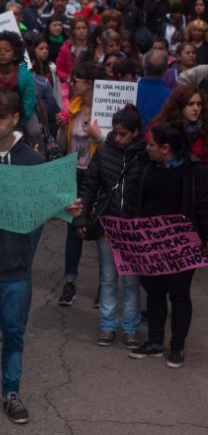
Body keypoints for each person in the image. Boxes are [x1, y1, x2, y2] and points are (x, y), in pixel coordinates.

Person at [0, 90, 82, 425]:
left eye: (1, 118)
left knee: (13, 331)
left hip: (16, 266)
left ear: (14, 120)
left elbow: (46, 205)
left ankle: (12, 392)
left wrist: (65, 207)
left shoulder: (31, 161)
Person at [128, 123, 208, 368]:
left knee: (179, 295)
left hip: (182, 246)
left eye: (152, 144)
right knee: (154, 291)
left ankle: (177, 346)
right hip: (150, 244)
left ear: (166, 149)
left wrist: (203, 240)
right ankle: (154, 341)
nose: (147, 147)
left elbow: (204, 209)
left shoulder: (195, 172)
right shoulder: (145, 165)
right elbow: (134, 199)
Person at [73, 106, 145, 349]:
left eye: (123, 133)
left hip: (133, 230)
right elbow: (89, 188)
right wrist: (82, 218)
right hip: (107, 226)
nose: (117, 137)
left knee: (131, 281)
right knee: (108, 277)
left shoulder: (145, 156)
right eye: (114, 132)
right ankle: (107, 325)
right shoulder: (103, 153)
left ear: (135, 133)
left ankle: (131, 328)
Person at [57, 63, 103, 306]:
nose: (73, 84)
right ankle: (70, 282)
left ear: (91, 84)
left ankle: (103, 285)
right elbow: (64, 143)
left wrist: (99, 136)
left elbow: (113, 145)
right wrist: (62, 126)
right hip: (73, 174)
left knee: (98, 231)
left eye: (79, 80)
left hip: (98, 177)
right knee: (73, 228)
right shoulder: (72, 108)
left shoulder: (106, 110)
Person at [150, 85, 208, 162]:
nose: (196, 108)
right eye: (191, 104)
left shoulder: (204, 129)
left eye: (199, 104)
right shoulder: (161, 127)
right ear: (180, 106)